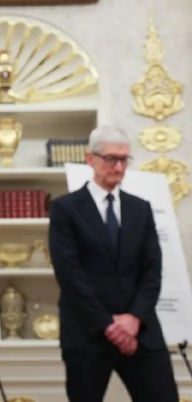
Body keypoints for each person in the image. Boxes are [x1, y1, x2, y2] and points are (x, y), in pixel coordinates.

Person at [48, 125, 178, 402]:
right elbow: (70, 275)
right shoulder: (65, 209)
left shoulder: (140, 209)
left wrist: (133, 319)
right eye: (111, 159)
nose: (118, 167)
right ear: (90, 158)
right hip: (87, 332)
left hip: (140, 331)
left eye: (124, 159)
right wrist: (109, 326)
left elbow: (152, 271)